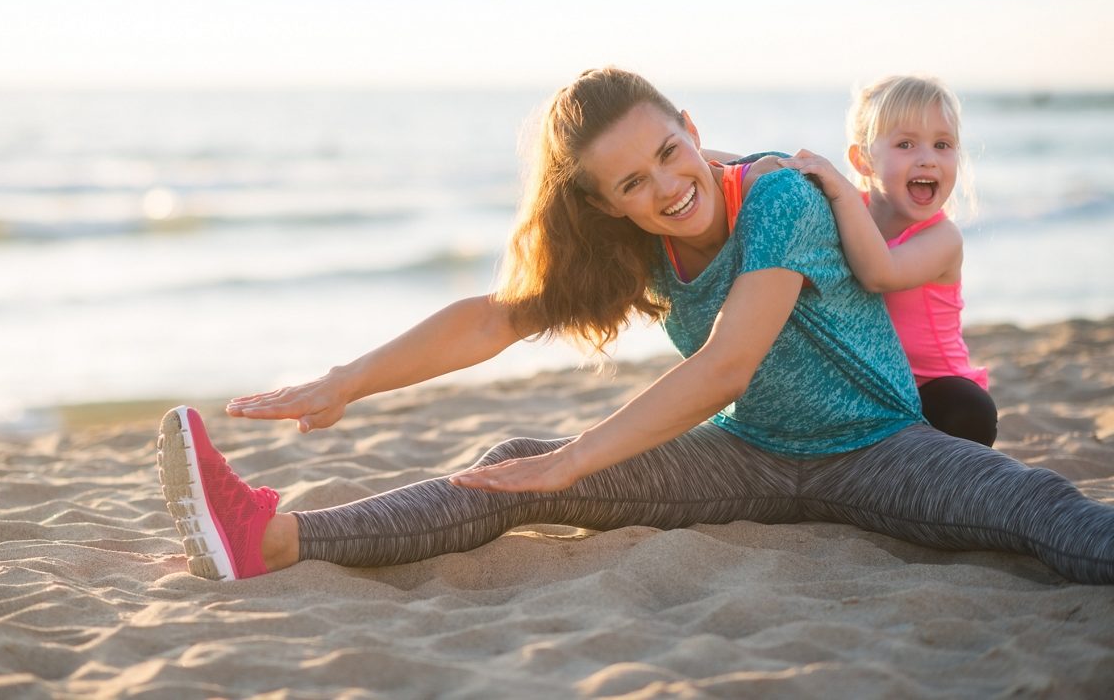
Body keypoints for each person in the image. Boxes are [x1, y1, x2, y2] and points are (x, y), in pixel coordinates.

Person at [157, 67, 1114, 584]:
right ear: (608, 204)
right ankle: (276, 539)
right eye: (631, 183)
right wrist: (344, 380)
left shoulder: (778, 196)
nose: (666, 186)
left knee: (1037, 508)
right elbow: (493, 319)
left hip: (880, 446)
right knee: (513, 459)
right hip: (748, 457)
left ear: (692, 128)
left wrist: (581, 458)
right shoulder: (637, 247)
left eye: (669, 151)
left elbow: (729, 362)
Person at [778, 76, 997, 446]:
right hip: (870, 383)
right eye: (906, 144)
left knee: (969, 408)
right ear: (863, 160)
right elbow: (765, 172)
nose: (927, 157)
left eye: (942, 144)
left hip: (933, 390)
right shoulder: (846, 212)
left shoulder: (942, 238)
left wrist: (840, 189)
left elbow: (879, 273)